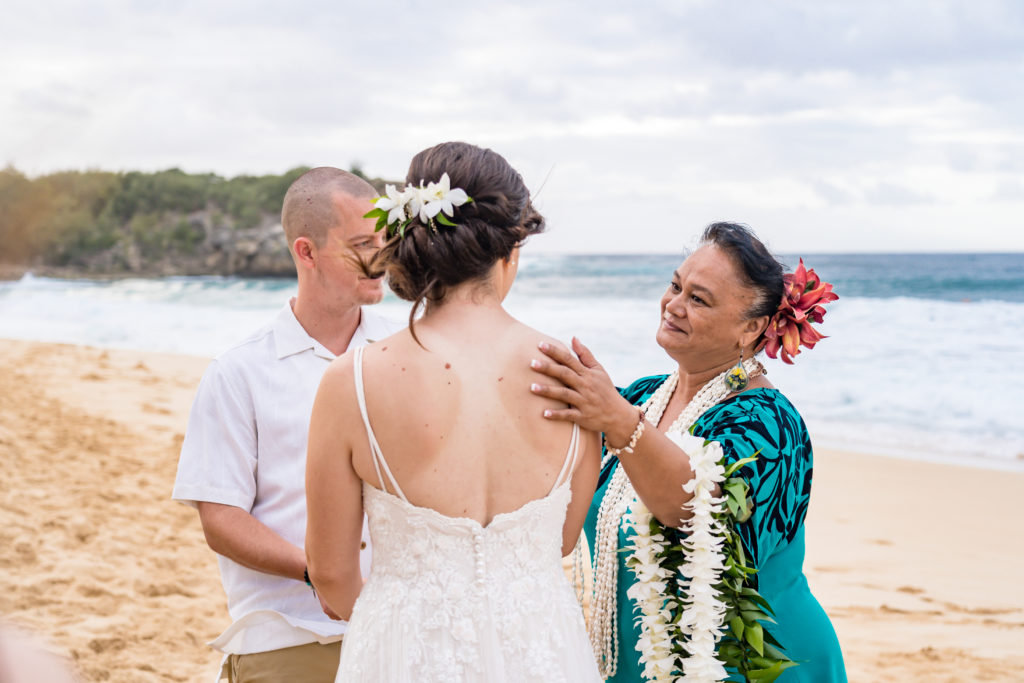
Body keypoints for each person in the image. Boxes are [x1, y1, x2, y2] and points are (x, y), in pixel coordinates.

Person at [304, 142, 603, 682]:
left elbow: (329, 572)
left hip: (406, 650)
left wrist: (398, 620)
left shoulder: (352, 380)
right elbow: (560, 540)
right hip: (542, 645)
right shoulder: (573, 375)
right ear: (511, 248)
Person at [529, 222, 847, 682]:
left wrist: (618, 421)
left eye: (698, 299)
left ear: (752, 327)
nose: (673, 305)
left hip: (751, 666)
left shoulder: (769, 425)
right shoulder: (643, 397)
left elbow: (698, 509)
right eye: (675, 286)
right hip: (639, 659)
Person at [172, 167, 401, 682]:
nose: (381, 257)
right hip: (290, 634)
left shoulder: (407, 350)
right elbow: (221, 519)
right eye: (363, 242)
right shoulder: (237, 373)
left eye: (385, 240)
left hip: (402, 635)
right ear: (306, 251)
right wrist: (318, 573)